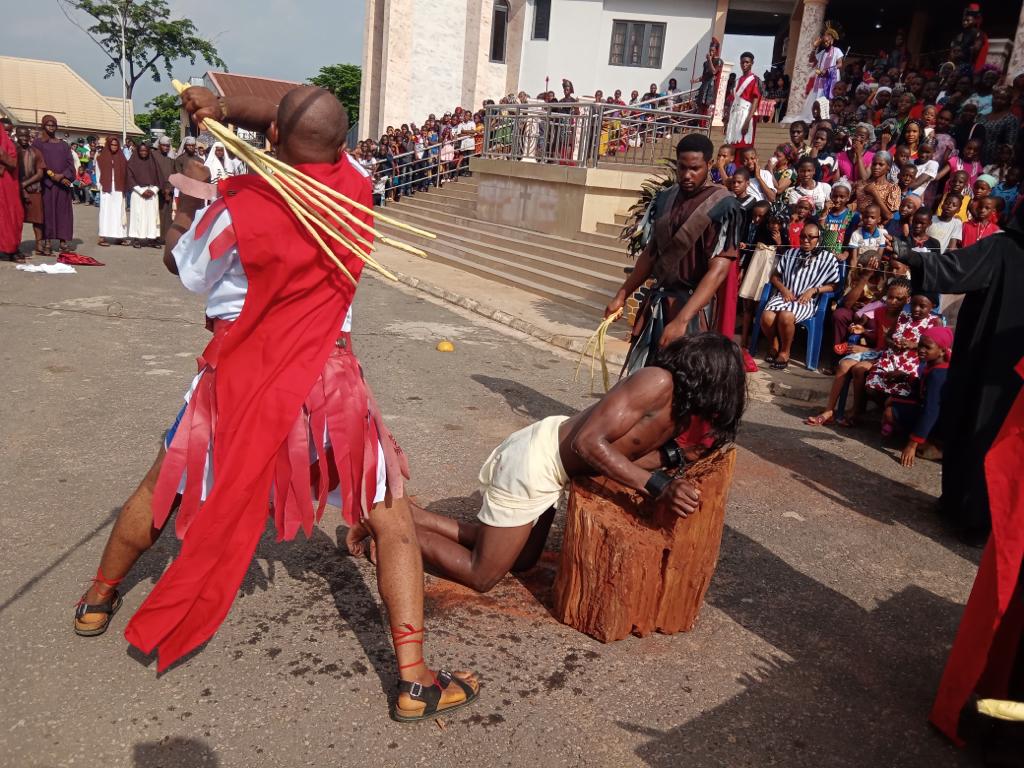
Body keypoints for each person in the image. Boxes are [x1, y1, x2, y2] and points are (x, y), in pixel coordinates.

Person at [73, 84, 480, 721]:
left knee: (161, 490)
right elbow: (305, 120)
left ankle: (97, 599)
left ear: (268, 141)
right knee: (391, 518)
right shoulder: (357, 190)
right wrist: (231, 111)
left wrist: (186, 200)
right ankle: (414, 678)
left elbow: (183, 270)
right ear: (342, 146)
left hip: (238, 379)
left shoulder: (235, 207)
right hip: (328, 382)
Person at [350, 333, 746, 592]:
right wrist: (659, 486)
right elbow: (590, 443)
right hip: (536, 461)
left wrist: (678, 457)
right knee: (482, 574)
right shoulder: (657, 382)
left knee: (521, 561)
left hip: (551, 469)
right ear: (711, 378)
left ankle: (408, 514)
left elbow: (628, 453)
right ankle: (386, 528)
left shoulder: (677, 412)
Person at [893, 201, 1024, 544]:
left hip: (986, 362)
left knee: (975, 427)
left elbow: (958, 267)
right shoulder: (1003, 248)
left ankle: (968, 513)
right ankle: (981, 517)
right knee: (998, 437)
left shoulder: (1003, 248)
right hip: (1012, 374)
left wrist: (917, 258)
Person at [605, 134, 743, 374]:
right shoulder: (665, 197)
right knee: (642, 378)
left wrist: (681, 321)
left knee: (684, 384)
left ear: (709, 165)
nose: (687, 174)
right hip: (658, 302)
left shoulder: (724, 205)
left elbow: (719, 270)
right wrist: (622, 294)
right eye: (682, 167)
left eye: (695, 168)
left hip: (692, 310)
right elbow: (651, 253)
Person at [807, 277, 912, 427]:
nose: (892, 301)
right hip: (876, 351)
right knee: (843, 365)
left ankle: (856, 411)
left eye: (898, 299)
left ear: (907, 300)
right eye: (890, 297)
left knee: (859, 368)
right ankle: (829, 411)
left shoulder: (905, 320)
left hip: (890, 357)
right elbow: (878, 337)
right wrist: (864, 331)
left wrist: (867, 349)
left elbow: (894, 348)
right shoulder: (880, 311)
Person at [757, 221, 839, 370]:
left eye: (810, 237)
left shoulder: (828, 259)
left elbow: (834, 285)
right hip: (784, 297)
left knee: (786, 316)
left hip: (805, 302)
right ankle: (774, 344)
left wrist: (814, 290)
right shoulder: (791, 253)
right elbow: (775, 276)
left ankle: (785, 351)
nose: (805, 240)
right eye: (802, 236)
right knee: (766, 317)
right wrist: (783, 290)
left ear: (819, 239)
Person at [885, 325, 953, 468]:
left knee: (890, 413)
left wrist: (912, 444)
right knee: (891, 401)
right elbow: (923, 386)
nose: (921, 350)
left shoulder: (938, 375)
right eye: (920, 345)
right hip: (931, 411)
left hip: (940, 421)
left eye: (927, 347)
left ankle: (929, 445)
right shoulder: (932, 365)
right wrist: (905, 377)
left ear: (942, 351)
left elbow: (931, 411)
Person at [32, 115, 76, 254]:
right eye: (48, 125)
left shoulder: (63, 145)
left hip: (62, 186)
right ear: (43, 126)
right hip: (47, 185)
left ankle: (63, 242)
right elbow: (38, 163)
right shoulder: (38, 143)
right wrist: (53, 176)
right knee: (48, 213)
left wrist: (63, 176)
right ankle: (48, 242)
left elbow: (71, 164)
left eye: (53, 125)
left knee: (63, 214)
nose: (51, 127)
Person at [16, 127, 46, 257]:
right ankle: (15, 246)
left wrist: (24, 184)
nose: (24, 138)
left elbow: (40, 173)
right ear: (16, 136)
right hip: (15, 190)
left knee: (38, 219)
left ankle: (39, 244)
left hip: (34, 189)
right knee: (16, 220)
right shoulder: (13, 151)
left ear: (29, 137)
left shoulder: (36, 152)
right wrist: (19, 186)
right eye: (21, 135)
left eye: (26, 136)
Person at [126, 142, 162, 248]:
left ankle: (152, 238)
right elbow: (129, 177)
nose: (143, 152)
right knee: (138, 216)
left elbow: (159, 178)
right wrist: (141, 191)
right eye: (141, 150)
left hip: (152, 192)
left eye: (145, 150)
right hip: (138, 193)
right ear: (137, 151)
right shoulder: (132, 163)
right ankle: (136, 238)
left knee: (152, 216)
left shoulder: (153, 162)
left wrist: (154, 190)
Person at [805, 23, 844, 120]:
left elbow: (840, 64)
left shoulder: (837, 50)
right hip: (821, 80)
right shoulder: (822, 53)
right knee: (818, 99)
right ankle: (817, 117)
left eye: (826, 41)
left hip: (831, 80)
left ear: (832, 40)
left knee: (829, 99)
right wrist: (814, 47)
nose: (825, 43)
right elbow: (811, 60)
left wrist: (828, 69)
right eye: (823, 42)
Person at [94, 137, 128, 247]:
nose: (114, 147)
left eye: (116, 145)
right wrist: (100, 185)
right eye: (112, 145)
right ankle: (102, 236)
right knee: (105, 212)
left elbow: (125, 173)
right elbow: (98, 172)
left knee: (119, 211)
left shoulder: (122, 157)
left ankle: (119, 236)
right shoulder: (101, 157)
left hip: (118, 188)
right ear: (108, 145)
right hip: (106, 188)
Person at [724, 52, 761, 149]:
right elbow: (731, 101)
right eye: (742, 62)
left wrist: (747, 121)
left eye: (747, 62)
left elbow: (755, 101)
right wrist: (727, 119)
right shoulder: (737, 81)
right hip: (734, 115)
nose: (744, 64)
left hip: (745, 115)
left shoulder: (754, 80)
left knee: (743, 146)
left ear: (752, 63)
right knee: (731, 145)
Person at [0, 119, 23, 261]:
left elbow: (13, 163)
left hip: (9, 186)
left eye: (10, 131)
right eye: (5, 131)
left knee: (12, 216)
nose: (8, 133)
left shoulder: (11, 146)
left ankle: (11, 249)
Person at [151, 136, 176, 243]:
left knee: (167, 214)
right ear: (159, 145)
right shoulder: (154, 156)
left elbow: (174, 173)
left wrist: (169, 188)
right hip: (156, 188)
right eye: (164, 145)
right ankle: (155, 236)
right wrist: (160, 188)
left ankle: (165, 237)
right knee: (156, 213)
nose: (166, 148)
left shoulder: (171, 158)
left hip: (169, 189)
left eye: (167, 146)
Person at [695, 38, 722, 115]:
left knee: (707, 109)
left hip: (711, 87)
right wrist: (695, 80)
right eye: (710, 50)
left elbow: (714, 71)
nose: (711, 52)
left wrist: (710, 60)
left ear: (716, 51)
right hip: (704, 86)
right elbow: (704, 76)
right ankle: (700, 125)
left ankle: (705, 125)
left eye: (713, 51)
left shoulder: (719, 61)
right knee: (700, 108)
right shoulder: (705, 63)